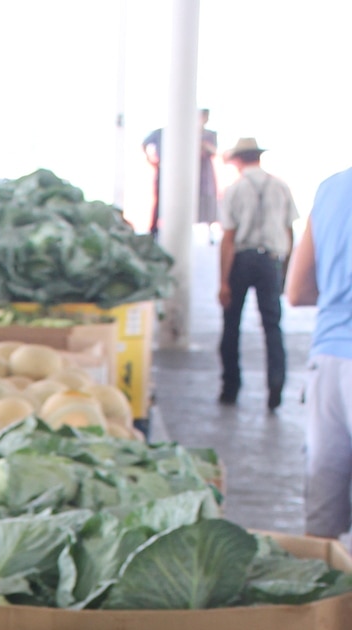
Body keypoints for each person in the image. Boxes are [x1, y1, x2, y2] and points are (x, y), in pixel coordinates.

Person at [287, 165, 352, 543]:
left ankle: (326, 604)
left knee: (320, 532)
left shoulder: (330, 190)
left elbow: (296, 292)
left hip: (327, 363)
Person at [217, 137, 298, 410]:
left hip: (242, 259)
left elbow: (228, 238)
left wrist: (223, 281)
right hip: (271, 260)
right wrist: (285, 273)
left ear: (239, 160)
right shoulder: (281, 187)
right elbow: (289, 233)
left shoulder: (235, 190)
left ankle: (231, 386)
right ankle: (276, 383)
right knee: (272, 326)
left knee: (232, 325)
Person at [142, 110, 218, 237]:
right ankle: (154, 230)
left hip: (198, 174)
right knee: (161, 200)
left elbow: (213, 151)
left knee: (202, 201)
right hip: (166, 172)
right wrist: (151, 160)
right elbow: (145, 143)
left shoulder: (205, 134)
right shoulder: (163, 132)